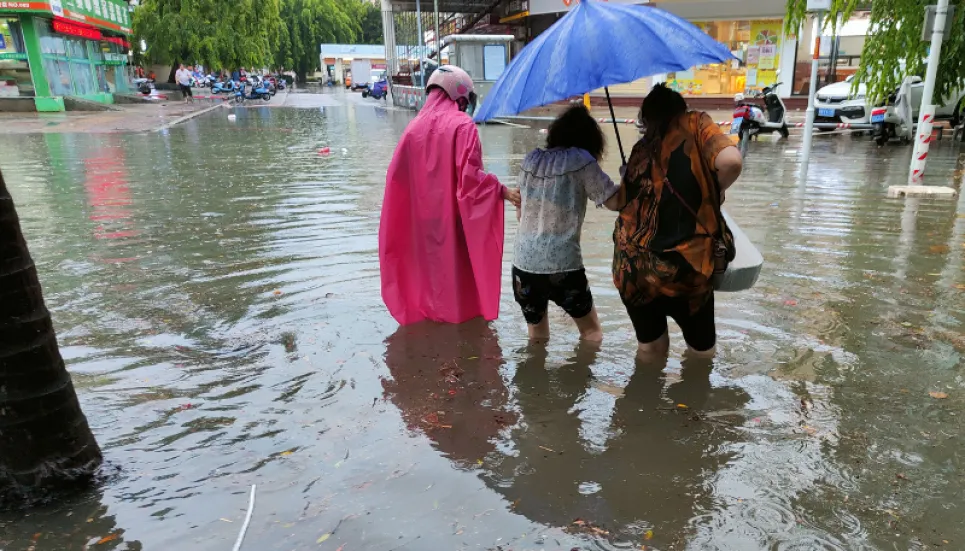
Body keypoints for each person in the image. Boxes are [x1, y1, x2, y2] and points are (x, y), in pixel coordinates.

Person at [379, 65, 520, 326]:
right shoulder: (463, 125)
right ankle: (460, 333)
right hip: (452, 222)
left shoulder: (412, 129)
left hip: (421, 224)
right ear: (462, 97)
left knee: (431, 280)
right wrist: (502, 191)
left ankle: (434, 332)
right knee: (456, 281)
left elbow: (396, 182)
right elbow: (470, 181)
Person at [611, 84, 743, 358]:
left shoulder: (640, 149)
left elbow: (618, 203)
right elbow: (731, 161)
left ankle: (645, 399)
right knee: (701, 353)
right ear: (681, 110)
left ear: (645, 119)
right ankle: (692, 397)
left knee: (651, 350)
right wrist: (712, 193)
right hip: (686, 270)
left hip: (633, 270)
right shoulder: (695, 124)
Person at [512, 106, 622, 342]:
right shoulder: (581, 160)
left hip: (523, 266)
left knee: (537, 338)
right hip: (563, 267)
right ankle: (581, 377)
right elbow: (614, 201)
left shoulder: (530, 160)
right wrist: (629, 178)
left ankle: (533, 378)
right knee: (592, 333)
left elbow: (522, 216)